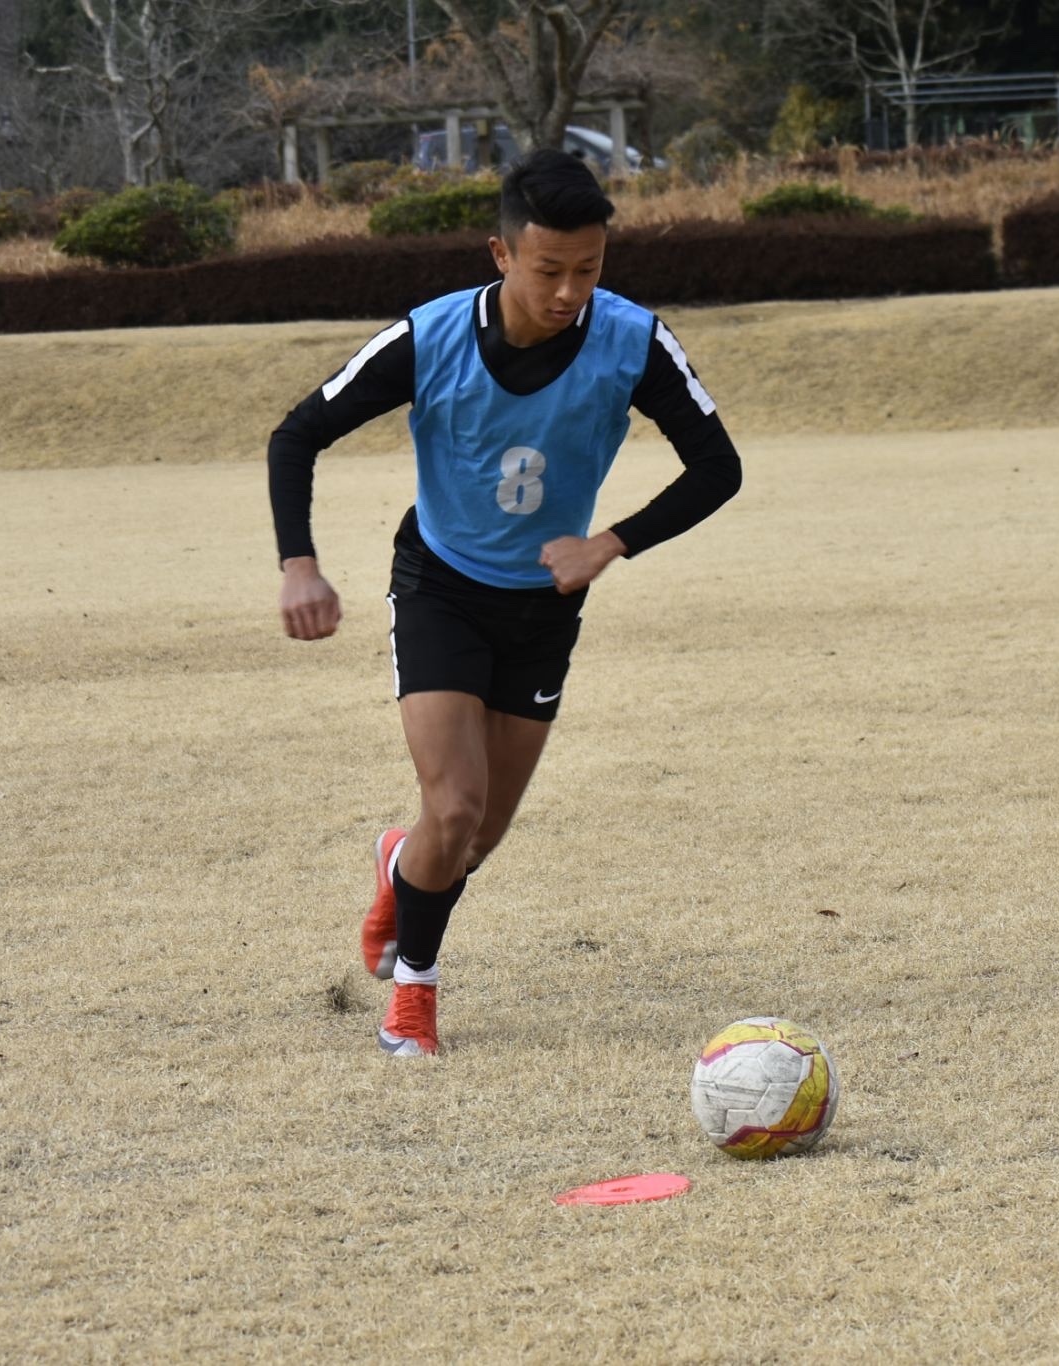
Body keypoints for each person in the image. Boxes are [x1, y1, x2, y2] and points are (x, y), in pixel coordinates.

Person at [266, 149, 742, 1057]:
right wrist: (300, 565)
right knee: (453, 809)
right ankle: (413, 1002)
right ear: (501, 254)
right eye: (550, 270)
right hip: (440, 585)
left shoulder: (633, 341)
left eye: (590, 270)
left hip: (542, 609)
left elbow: (719, 467)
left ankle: (397, 871)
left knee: (475, 838)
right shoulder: (431, 337)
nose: (571, 292)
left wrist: (611, 542)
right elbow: (299, 433)